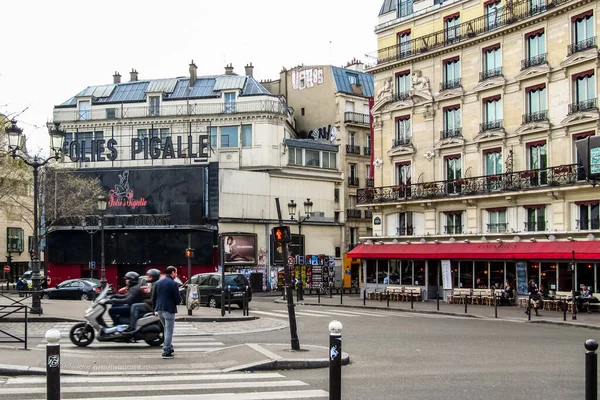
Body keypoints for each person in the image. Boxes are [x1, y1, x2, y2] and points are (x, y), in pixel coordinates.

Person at [152, 266, 181, 359]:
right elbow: (177, 299)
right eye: (176, 273)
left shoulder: (158, 282)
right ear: (172, 272)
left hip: (159, 309)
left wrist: (154, 309)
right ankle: (166, 350)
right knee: (169, 331)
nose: (176, 275)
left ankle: (170, 347)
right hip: (169, 310)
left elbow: (153, 297)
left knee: (166, 329)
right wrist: (177, 301)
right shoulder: (173, 284)